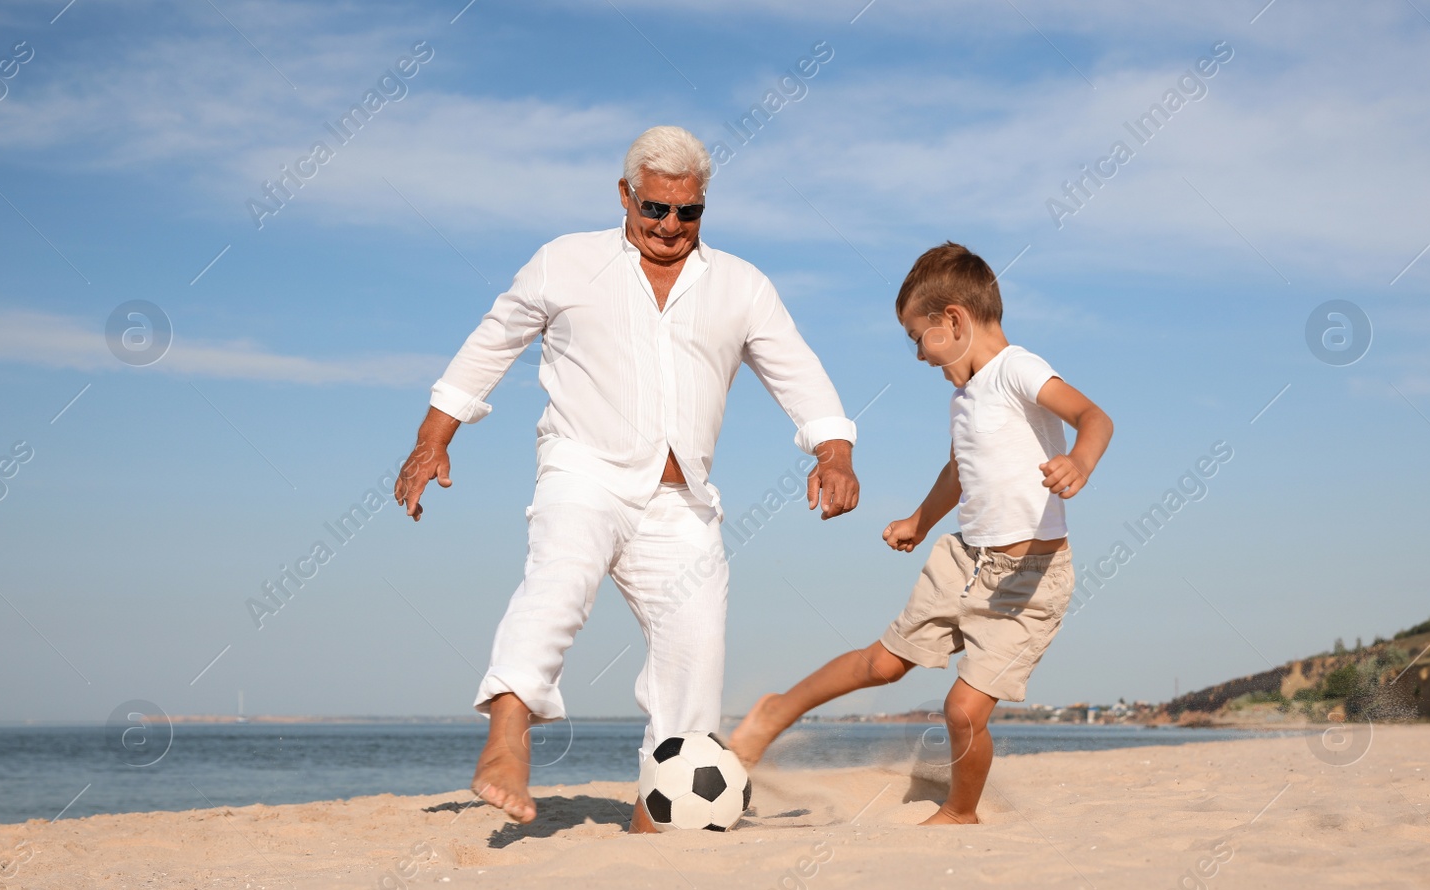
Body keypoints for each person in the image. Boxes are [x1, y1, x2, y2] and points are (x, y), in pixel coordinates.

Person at [393, 126, 861, 831]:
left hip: (683, 502)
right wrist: (434, 437)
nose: (671, 226)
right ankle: (508, 733)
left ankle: (660, 817)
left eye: (688, 212)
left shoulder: (741, 284)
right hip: (585, 472)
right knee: (560, 578)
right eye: (655, 209)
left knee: (696, 654)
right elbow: (490, 343)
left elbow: (799, 373)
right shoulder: (565, 262)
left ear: (704, 206)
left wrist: (833, 452)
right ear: (625, 196)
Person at [729, 242, 1113, 824]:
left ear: (953, 320)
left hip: (1027, 582)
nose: (918, 355)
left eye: (918, 337)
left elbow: (1094, 417)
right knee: (881, 664)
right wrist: (918, 521)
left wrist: (1080, 462)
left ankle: (961, 811)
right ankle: (775, 712)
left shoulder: (1018, 370)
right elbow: (960, 471)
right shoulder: (965, 396)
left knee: (963, 708)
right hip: (964, 560)